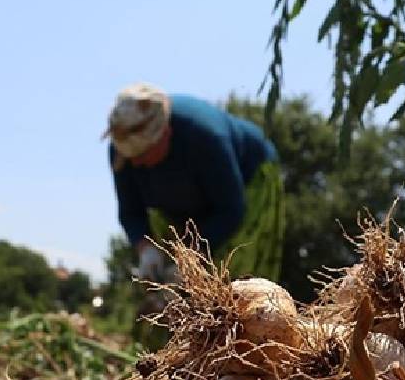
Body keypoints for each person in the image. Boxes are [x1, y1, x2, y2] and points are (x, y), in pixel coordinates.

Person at [105, 83, 284, 285]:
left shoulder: (206, 137)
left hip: (247, 188)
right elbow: (130, 211)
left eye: (144, 154)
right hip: (180, 206)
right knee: (169, 278)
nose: (137, 163)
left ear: (165, 133)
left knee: (238, 282)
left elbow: (231, 209)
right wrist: (146, 248)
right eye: (131, 157)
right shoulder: (123, 151)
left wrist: (191, 258)